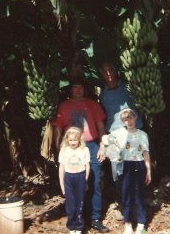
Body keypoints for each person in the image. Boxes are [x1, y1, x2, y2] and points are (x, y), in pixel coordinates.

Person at [53, 80, 110, 233]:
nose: (78, 90)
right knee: (74, 184)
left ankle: (95, 218)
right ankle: (79, 220)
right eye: (75, 87)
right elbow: (58, 128)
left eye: (80, 87)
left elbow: (100, 126)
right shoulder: (64, 106)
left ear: (85, 89)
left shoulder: (93, 104)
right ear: (70, 89)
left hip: (91, 146)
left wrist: (103, 146)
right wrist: (59, 147)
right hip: (71, 147)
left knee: (95, 181)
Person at [99, 62, 143, 220]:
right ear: (101, 75)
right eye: (104, 71)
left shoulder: (128, 87)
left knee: (135, 169)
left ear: (116, 72)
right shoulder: (103, 94)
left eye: (111, 69)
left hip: (132, 132)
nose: (108, 73)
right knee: (117, 171)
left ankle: (137, 206)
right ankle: (123, 204)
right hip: (114, 135)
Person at [100, 108, 151, 234]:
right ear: (123, 121)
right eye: (126, 119)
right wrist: (102, 148)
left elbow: (145, 153)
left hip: (139, 165)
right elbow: (104, 139)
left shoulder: (142, 134)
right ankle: (127, 224)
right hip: (124, 165)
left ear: (135, 118)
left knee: (139, 194)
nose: (129, 121)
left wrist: (149, 170)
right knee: (125, 194)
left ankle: (141, 223)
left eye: (131, 117)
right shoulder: (119, 133)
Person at [58, 127, 90, 234]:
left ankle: (79, 227)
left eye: (75, 140)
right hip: (69, 178)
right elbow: (61, 168)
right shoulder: (64, 150)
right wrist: (62, 186)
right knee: (70, 205)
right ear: (67, 140)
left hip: (80, 177)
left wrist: (85, 180)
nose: (73, 142)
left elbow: (87, 166)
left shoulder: (84, 150)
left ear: (79, 140)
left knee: (79, 203)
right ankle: (72, 227)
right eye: (70, 140)